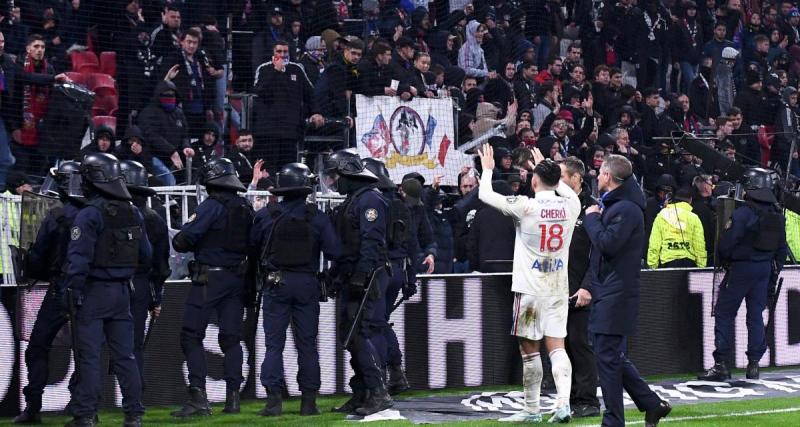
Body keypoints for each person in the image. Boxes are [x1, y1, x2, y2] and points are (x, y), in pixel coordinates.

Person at [476, 144, 580, 423]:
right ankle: (562, 404)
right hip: (558, 288)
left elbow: (485, 194)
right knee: (557, 347)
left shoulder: (526, 206)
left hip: (530, 290)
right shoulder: (572, 205)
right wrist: (547, 165)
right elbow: (564, 188)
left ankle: (532, 410)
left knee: (529, 350)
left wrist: (487, 169)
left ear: (534, 180)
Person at [63, 153, 151, 427]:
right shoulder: (133, 211)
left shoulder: (88, 214)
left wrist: (72, 292)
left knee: (89, 356)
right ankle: (134, 414)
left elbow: (78, 260)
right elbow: (145, 255)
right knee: (126, 356)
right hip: (123, 293)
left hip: (93, 292)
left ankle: (86, 414)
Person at [583, 154, 672, 427]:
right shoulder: (619, 205)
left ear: (609, 177)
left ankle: (613, 422)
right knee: (611, 356)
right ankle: (651, 404)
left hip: (617, 293)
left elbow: (608, 244)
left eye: (600, 173)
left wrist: (592, 220)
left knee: (608, 358)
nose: (597, 177)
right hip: (609, 290)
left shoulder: (626, 210)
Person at [252, 162, 340, 417]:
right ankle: (309, 402)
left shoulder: (267, 215)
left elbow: (252, 246)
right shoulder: (317, 217)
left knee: (273, 345)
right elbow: (335, 252)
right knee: (307, 345)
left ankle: (273, 403)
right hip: (307, 284)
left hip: (276, 283)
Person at [171, 158, 254, 417]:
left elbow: (182, 241)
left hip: (209, 280)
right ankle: (233, 399)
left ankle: (198, 397)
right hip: (237, 279)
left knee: (191, 335)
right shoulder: (246, 207)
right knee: (231, 339)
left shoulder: (211, 206)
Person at [699, 168, 789, 381]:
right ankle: (754, 364)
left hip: (741, 269)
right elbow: (781, 250)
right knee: (755, 316)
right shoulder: (777, 215)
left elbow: (726, 244)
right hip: (764, 269)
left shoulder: (743, 213)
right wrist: (772, 275)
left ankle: (722, 363)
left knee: (724, 313)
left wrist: (726, 259)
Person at [322, 150, 392, 416]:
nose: (332, 182)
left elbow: (371, 244)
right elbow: (346, 246)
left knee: (357, 333)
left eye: (335, 175)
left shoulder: (370, 201)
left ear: (349, 173)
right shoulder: (354, 201)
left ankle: (378, 392)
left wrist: (361, 277)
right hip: (353, 275)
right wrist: (335, 276)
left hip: (368, 276)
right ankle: (361, 391)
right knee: (350, 335)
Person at [14, 162, 83, 424]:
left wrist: (28, 263)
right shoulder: (93, 213)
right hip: (88, 290)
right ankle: (82, 405)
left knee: (38, 347)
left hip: (60, 290)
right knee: (86, 350)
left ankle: (33, 407)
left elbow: (39, 258)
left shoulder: (56, 216)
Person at [119, 160, 171, 389]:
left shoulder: (102, 214)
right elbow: (160, 264)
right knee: (135, 343)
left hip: (106, 284)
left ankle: (86, 401)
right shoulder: (155, 219)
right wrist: (156, 297)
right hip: (140, 287)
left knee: (95, 342)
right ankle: (135, 396)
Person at [558, 156, 601, 418]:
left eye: (562, 176)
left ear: (576, 178)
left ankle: (588, 400)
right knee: (562, 346)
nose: (558, 182)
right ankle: (570, 397)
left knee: (579, 342)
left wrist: (587, 288)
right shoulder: (557, 206)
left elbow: (598, 253)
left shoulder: (593, 209)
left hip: (580, 290)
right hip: (558, 288)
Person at [647, 187, 707, 269]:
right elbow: (699, 244)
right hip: (689, 263)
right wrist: (701, 266)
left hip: (667, 262)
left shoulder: (662, 215)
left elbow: (654, 242)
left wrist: (652, 266)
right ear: (690, 200)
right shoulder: (694, 218)